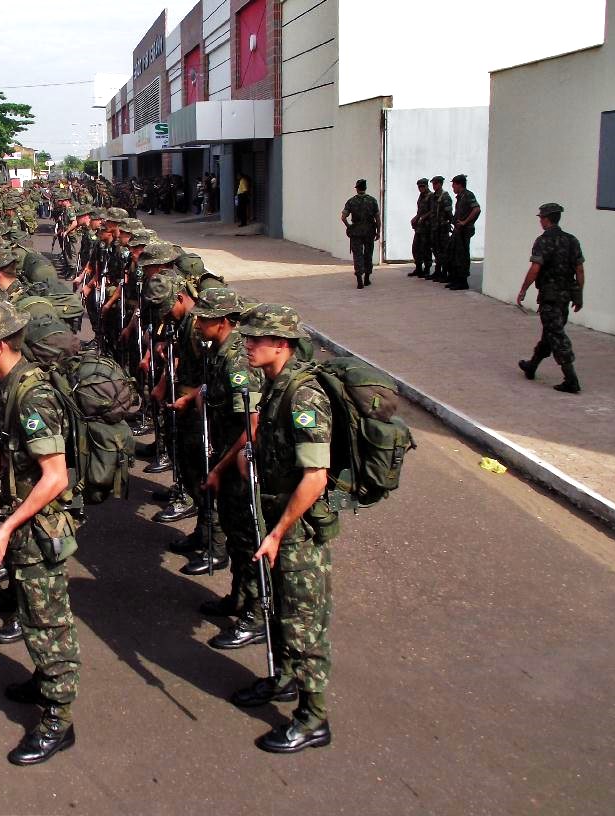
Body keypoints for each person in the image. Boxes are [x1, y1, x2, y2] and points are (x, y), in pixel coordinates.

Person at [0, 301, 81, 766]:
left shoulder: (32, 396)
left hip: (38, 527)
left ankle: (58, 719)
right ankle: (42, 681)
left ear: (2, 345)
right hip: (23, 520)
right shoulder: (10, 386)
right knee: (31, 612)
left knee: (49, 619)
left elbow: (55, 477)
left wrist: (7, 526)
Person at [232, 303, 335, 754]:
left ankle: (313, 718)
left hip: (297, 530)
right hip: (274, 517)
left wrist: (279, 531)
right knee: (277, 608)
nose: (248, 345)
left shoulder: (304, 396)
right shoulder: (275, 386)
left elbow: (316, 476)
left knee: (303, 621)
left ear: (282, 344)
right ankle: (285, 678)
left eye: (256, 339)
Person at [190, 289, 268, 651]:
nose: (198, 322)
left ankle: (255, 615)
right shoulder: (219, 351)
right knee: (236, 534)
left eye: (204, 318)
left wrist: (220, 467)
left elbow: (250, 425)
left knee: (247, 535)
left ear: (222, 322)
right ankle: (239, 596)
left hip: (240, 462)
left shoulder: (238, 362)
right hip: (226, 452)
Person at [516, 202, 585, 393]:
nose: (540, 221)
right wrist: (578, 295)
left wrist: (523, 289)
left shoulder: (543, 241)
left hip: (550, 296)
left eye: (541, 218)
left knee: (556, 335)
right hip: (565, 296)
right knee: (550, 333)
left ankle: (571, 379)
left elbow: (535, 268)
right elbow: (579, 269)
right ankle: (532, 366)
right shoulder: (572, 240)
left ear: (545, 219)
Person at [340, 179, 380, 289]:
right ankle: (367, 278)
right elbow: (377, 218)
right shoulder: (372, 201)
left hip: (356, 232)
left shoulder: (351, 201)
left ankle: (359, 280)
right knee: (368, 254)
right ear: (365, 188)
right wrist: (378, 232)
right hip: (369, 231)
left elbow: (343, 217)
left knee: (357, 255)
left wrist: (349, 227)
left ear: (357, 188)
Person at [446, 174, 481, 291]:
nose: (452, 187)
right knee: (454, 255)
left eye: (454, 185)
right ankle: (456, 279)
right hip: (458, 230)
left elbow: (477, 209)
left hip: (464, 231)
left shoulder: (468, 195)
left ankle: (462, 281)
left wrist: (465, 222)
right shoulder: (460, 197)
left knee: (462, 256)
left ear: (459, 184)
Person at [426, 176, 453, 283]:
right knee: (436, 250)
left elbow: (449, 213)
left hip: (442, 228)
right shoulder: (433, 197)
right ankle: (437, 272)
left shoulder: (445, 196)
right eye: (433, 184)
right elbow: (431, 211)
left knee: (444, 251)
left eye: (436, 183)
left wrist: (449, 224)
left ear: (440, 184)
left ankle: (444, 273)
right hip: (434, 228)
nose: (434, 185)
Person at [408, 178, 432, 277]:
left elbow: (433, 210)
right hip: (420, 227)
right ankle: (418, 268)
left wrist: (423, 217)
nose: (420, 188)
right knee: (416, 248)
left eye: (422, 186)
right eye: (419, 187)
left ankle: (427, 269)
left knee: (425, 248)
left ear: (426, 186)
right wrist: (416, 218)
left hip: (427, 227)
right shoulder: (421, 196)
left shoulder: (431, 196)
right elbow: (420, 211)